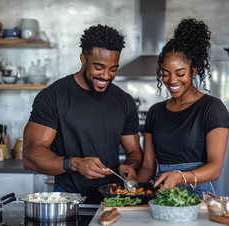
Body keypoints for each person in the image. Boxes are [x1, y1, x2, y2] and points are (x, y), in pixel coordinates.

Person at [23, 24, 142, 203]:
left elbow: (133, 150)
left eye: (113, 69)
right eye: (99, 67)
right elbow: (30, 156)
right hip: (68, 201)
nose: (106, 76)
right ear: (83, 58)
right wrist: (75, 164)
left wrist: (131, 166)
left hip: (113, 200)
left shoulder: (124, 101)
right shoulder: (54, 96)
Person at [136, 18, 229, 199]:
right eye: (165, 74)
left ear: (193, 70)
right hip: (161, 196)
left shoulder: (212, 108)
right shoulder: (156, 112)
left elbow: (215, 168)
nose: (172, 81)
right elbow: (148, 167)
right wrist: (131, 186)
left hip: (198, 196)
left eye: (180, 73)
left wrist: (179, 177)